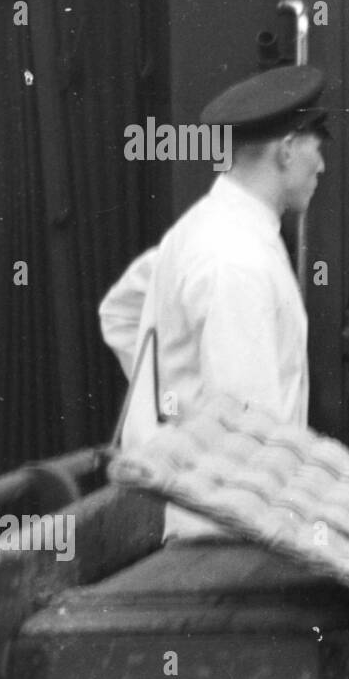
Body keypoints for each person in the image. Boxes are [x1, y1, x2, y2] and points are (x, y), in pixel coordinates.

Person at [99, 65, 329, 540]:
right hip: (225, 529)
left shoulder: (204, 227)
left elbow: (121, 313)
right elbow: (250, 433)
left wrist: (164, 413)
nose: (322, 165)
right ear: (286, 150)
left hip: (199, 508)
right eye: (317, 148)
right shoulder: (237, 259)